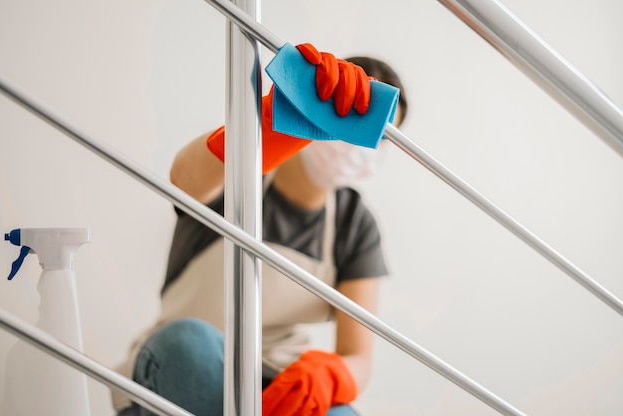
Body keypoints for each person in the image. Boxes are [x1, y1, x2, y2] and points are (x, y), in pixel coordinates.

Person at [113, 44, 409, 416]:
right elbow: (184, 181)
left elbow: (358, 356)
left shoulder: (355, 224)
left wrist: (327, 375)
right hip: (185, 369)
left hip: (276, 381)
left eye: (379, 138)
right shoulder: (240, 176)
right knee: (189, 344)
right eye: (357, 121)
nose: (359, 147)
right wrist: (268, 127)